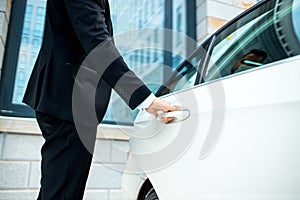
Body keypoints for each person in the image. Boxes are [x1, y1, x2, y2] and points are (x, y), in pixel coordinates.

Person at [23, 0, 176, 199]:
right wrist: (146, 100)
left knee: (58, 190)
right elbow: (97, 44)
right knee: (63, 193)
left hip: (65, 100)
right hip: (69, 102)